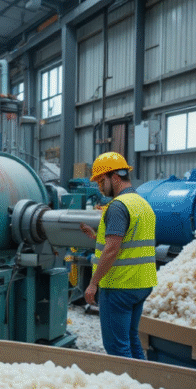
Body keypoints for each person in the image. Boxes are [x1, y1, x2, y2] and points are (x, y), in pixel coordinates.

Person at [78, 152, 157, 359]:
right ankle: (141, 386)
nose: (99, 187)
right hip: (142, 283)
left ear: (114, 177)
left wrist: (93, 283)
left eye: (101, 181)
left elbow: (112, 249)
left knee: (116, 348)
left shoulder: (117, 207)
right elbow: (129, 241)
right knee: (131, 340)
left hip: (120, 285)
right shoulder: (142, 204)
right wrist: (95, 237)